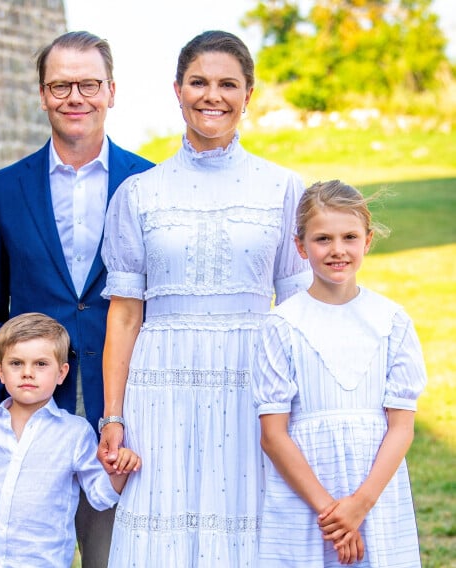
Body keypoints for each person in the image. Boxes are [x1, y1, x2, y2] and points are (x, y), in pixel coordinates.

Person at [97, 30, 312, 566]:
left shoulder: (284, 189)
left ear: (248, 94)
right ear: (177, 89)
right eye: (198, 82)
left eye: (227, 84)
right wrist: (112, 416)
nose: (211, 95)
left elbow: (298, 312)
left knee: (249, 513)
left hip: (254, 382)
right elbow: (124, 315)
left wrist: (300, 409)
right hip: (161, 382)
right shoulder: (140, 193)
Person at [0, 31, 153, 568]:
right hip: (28, 416)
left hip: (122, 416)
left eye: (89, 84)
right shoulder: (1, 190)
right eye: (60, 85)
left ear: (111, 91)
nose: (76, 97)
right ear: (42, 94)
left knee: (110, 557)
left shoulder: (149, 184)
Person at [252, 180, 427, 566]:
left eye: (349, 236)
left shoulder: (391, 321)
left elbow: (401, 426)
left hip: (376, 495)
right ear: (300, 247)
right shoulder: (282, 324)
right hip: (307, 500)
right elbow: (273, 436)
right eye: (322, 239)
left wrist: (359, 506)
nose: (337, 250)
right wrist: (332, 513)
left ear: (367, 241)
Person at [0, 312, 140, 567]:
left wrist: (120, 469)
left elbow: (100, 495)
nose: (27, 373)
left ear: (61, 373)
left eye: (41, 364)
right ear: (0, 372)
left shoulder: (74, 433)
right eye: (16, 363)